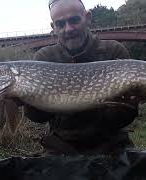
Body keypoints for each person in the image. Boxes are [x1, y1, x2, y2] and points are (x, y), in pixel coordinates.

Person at [17, 0, 139, 156]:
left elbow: (124, 118)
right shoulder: (44, 57)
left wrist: (128, 104)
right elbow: (39, 117)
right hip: (61, 146)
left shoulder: (113, 51)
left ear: (87, 18)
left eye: (74, 20)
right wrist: (24, 101)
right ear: (53, 27)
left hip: (112, 144)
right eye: (60, 24)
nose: (68, 29)